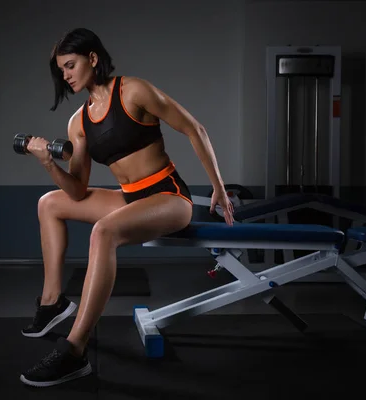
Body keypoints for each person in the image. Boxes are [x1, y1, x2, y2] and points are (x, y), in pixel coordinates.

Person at [19, 27, 234, 388]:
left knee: (104, 232)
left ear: (92, 58)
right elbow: (76, 191)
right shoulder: (79, 123)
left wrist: (219, 188)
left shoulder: (132, 91)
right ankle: (53, 302)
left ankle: (75, 351)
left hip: (169, 197)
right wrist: (47, 163)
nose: (66, 75)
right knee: (49, 202)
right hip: (130, 197)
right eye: (62, 71)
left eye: (70, 65)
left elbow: (195, 128)